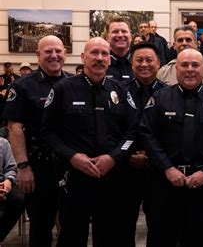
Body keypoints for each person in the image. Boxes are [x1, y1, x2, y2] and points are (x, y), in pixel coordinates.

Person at [40, 37, 137, 247]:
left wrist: (114, 157)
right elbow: (48, 133)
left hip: (112, 175)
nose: (99, 58)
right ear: (83, 57)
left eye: (104, 54)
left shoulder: (120, 91)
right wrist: (72, 156)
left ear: (110, 60)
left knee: (110, 235)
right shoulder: (63, 89)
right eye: (94, 53)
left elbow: (132, 132)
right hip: (75, 176)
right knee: (72, 236)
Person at [141, 48, 203, 247]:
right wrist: (167, 168)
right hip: (165, 184)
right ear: (176, 69)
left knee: (199, 238)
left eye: (195, 65)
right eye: (184, 65)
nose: (190, 70)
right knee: (161, 237)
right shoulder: (159, 98)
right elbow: (148, 136)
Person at [3, 35, 73, 247]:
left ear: (65, 53)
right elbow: (14, 128)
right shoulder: (23, 86)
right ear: (37, 56)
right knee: (41, 228)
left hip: (70, 166)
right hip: (39, 168)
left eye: (58, 51)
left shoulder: (73, 83)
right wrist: (23, 167)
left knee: (71, 226)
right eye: (48, 51)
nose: (54, 55)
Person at [123, 42, 167, 246]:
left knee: (159, 226)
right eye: (139, 60)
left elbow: (171, 135)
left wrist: (150, 156)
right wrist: (128, 155)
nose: (144, 64)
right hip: (125, 167)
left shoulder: (170, 94)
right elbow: (114, 130)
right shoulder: (119, 93)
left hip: (159, 170)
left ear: (158, 63)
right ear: (131, 64)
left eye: (149, 60)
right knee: (123, 225)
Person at [157, 25, 203, 93]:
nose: (184, 43)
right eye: (180, 40)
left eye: (188, 40)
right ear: (174, 45)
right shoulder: (163, 72)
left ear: (196, 43)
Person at [0, 137, 25, 243]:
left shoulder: (3, 143)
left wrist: (8, 181)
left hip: (2, 183)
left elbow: (11, 168)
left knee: (19, 199)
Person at [105, 17, 134, 81]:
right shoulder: (101, 63)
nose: (120, 35)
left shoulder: (139, 63)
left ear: (131, 37)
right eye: (115, 31)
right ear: (107, 38)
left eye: (124, 31)